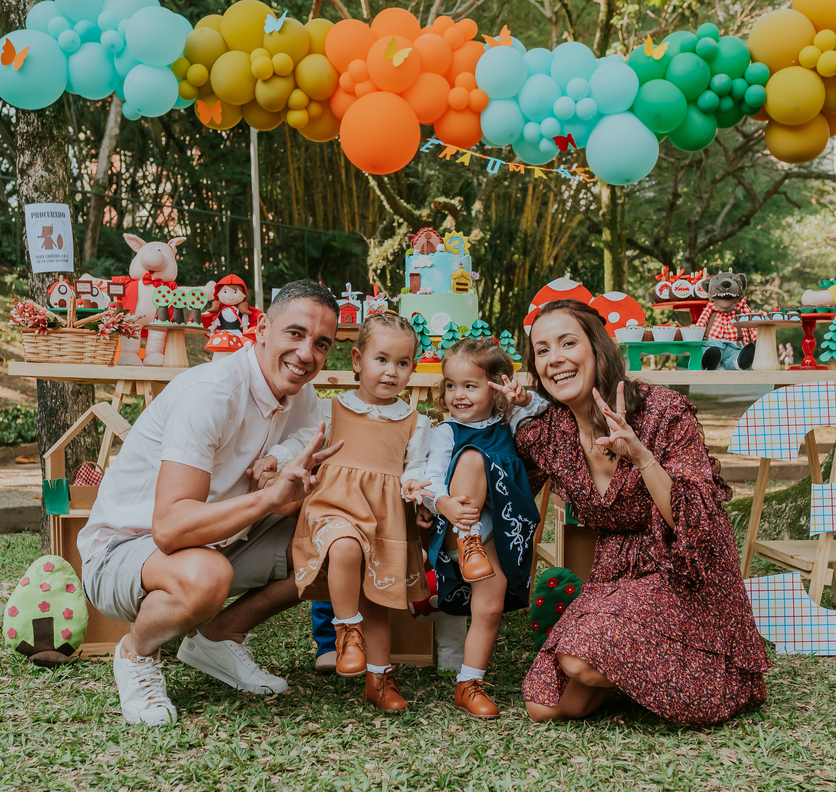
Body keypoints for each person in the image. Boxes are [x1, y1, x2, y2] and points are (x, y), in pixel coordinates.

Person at [77, 280, 342, 726]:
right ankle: (136, 654)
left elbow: (308, 436)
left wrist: (284, 474)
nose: (306, 354)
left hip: (220, 540)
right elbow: (171, 528)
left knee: (335, 543)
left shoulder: (300, 394)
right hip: (125, 553)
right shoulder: (212, 393)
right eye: (295, 334)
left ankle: (217, 637)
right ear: (261, 328)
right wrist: (270, 499)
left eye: (321, 343)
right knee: (206, 576)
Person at [516, 299, 770, 726]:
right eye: (542, 350)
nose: (554, 359)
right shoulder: (548, 433)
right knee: (546, 707)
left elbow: (694, 524)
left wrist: (641, 455)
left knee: (579, 663)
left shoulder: (662, 411)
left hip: (683, 568)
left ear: (598, 349)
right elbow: (504, 484)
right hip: (617, 575)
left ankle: (706, 674)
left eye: (567, 343)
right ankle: (641, 669)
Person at [288, 313, 433, 712]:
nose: (391, 372)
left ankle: (379, 680)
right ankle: (346, 632)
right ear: (357, 360)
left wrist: (417, 486)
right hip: (334, 506)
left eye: (402, 364)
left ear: (412, 370)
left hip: (385, 518)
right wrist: (276, 461)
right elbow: (301, 446)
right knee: (346, 547)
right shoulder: (329, 410)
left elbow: (417, 466)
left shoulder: (414, 422)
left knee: (379, 600)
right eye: (381, 359)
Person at [421, 338, 547, 719]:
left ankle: (469, 683)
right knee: (474, 458)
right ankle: (467, 545)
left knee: (490, 604)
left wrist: (524, 400)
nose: (457, 395)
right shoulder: (447, 431)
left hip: (500, 527)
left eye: (469, 385)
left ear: (496, 388)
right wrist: (438, 502)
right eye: (450, 385)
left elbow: (547, 412)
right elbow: (430, 477)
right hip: (460, 526)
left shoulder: (509, 421)